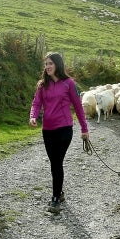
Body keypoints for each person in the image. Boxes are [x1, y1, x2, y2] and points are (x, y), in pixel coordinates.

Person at [28, 52, 89, 214]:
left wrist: (84, 129)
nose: (47, 66)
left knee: (56, 162)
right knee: (55, 163)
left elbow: (78, 107)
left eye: (50, 63)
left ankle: (55, 199)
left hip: (64, 129)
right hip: (47, 130)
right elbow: (36, 103)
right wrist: (33, 117)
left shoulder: (69, 84)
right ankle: (59, 191)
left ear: (58, 65)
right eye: (46, 64)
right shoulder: (42, 85)